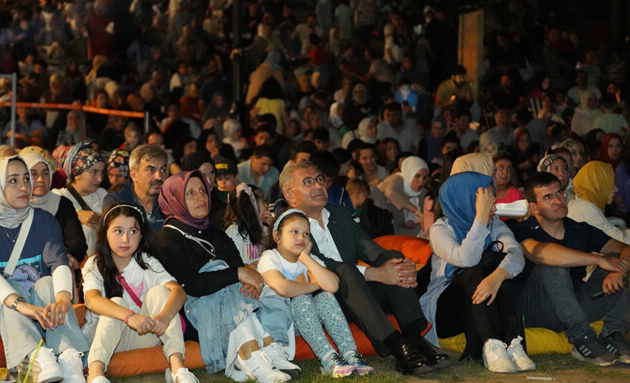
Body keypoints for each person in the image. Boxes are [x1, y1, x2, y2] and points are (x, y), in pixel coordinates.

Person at [281, 161, 449, 375]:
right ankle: (398, 346)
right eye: (307, 182)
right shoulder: (288, 227)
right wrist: (375, 273)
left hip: (360, 299)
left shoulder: (339, 214)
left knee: (393, 258)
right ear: (290, 195)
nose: (317, 186)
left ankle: (415, 339)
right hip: (323, 304)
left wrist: (395, 265)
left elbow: (369, 248)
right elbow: (321, 264)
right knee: (345, 271)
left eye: (320, 180)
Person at [152, 171, 298, 382]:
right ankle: (254, 358)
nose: (201, 197)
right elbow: (191, 285)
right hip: (195, 314)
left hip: (231, 304)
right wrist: (238, 273)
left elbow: (239, 270)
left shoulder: (214, 231)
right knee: (216, 271)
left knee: (269, 286)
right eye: (190, 193)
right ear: (175, 199)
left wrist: (251, 282)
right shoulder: (167, 237)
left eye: (202, 190)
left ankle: (268, 350)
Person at [0, 156, 89, 381]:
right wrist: (22, 306)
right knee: (10, 285)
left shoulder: (43, 220)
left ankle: (68, 356)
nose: (25, 186)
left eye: (26, 178)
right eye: (13, 181)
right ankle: (36, 356)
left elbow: (59, 263)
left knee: (47, 283)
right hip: (2, 309)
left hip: (44, 310)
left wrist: (64, 298)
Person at [514, 172, 630, 366]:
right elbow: (540, 253)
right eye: (548, 197)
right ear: (533, 207)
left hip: (574, 306)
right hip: (537, 311)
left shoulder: (579, 229)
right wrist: (598, 260)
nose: (558, 200)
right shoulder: (524, 229)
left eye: (560, 193)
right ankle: (582, 338)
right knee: (551, 267)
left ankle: (613, 334)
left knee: (617, 260)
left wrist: (617, 270)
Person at [421, 172, 532, 373]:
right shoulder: (440, 230)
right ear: (465, 200)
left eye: (491, 200)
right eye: (485, 202)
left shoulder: (495, 224)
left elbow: (516, 254)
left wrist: (498, 276)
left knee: (504, 273)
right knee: (475, 269)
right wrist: (480, 218)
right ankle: (492, 344)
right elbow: (466, 259)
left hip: (481, 306)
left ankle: (515, 344)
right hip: (447, 310)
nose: (493, 208)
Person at [82, 204, 199, 383]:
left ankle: (178, 369)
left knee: (160, 292)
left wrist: (163, 317)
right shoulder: (95, 264)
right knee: (116, 303)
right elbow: (92, 300)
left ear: (141, 235)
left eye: (132, 231)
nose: (125, 239)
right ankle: (96, 374)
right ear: (105, 233)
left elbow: (178, 291)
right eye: (118, 231)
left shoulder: (146, 262)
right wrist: (129, 316)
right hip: (104, 336)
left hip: (141, 336)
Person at [258, 209, 374, 377]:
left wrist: (305, 258)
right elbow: (282, 288)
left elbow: (333, 285)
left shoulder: (309, 259)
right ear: (277, 236)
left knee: (326, 297)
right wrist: (313, 285)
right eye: (294, 232)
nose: (301, 238)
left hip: (308, 321)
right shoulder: (270, 257)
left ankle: (350, 354)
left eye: (306, 234)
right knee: (300, 299)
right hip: (283, 322)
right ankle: (328, 359)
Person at [21, 152, 87, 271]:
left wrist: (65, 257)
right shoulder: (14, 206)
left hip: (61, 266)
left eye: (45, 173)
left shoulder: (62, 203)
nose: (41, 179)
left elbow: (77, 242)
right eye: (33, 174)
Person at [568, 161, 630, 251]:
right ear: (599, 184)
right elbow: (623, 240)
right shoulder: (585, 208)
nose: (616, 189)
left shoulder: (579, 203)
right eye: (611, 183)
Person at [55, 143, 108, 255]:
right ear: (77, 174)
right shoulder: (59, 197)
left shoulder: (102, 194)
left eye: (101, 173)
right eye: (93, 172)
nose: (99, 179)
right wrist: (76, 214)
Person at [104, 144, 169, 233]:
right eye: (150, 170)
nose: (159, 177)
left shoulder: (171, 204)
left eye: (163, 170)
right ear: (134, 175)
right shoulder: (116, 203)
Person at [372, 156, 430, 235]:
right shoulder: (396, 180)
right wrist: (417, 212)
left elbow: (420, 219)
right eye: (417, 176)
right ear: (409, 173)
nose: (421, 182)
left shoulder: (422, 192)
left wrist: (412, 220)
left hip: (401, 229)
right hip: (382, 229)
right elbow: (391, 193)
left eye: (425, 177)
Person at [224, 184, 269, 266]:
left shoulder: (265, 228)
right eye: (263, 202)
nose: (266, 206)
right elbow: (233, 265)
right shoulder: (234, 233)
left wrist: (274, 226)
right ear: (252, 207)